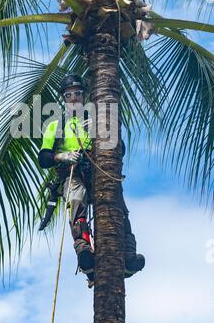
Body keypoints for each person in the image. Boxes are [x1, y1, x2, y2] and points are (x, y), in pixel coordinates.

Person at [38, 74, 145, 287]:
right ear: (63, 98)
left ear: (84, 95)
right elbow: (43, 158)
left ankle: (128, 254)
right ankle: (84, 250)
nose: (74, 98)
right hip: (73, 171)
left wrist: (101, 135)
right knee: (76, 202)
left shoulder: (96, 118)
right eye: (69, 95)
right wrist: (62, 156)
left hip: (99, 170)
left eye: (78, 93)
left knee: (117, 208)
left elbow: (119, 148)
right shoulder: (55, 125)